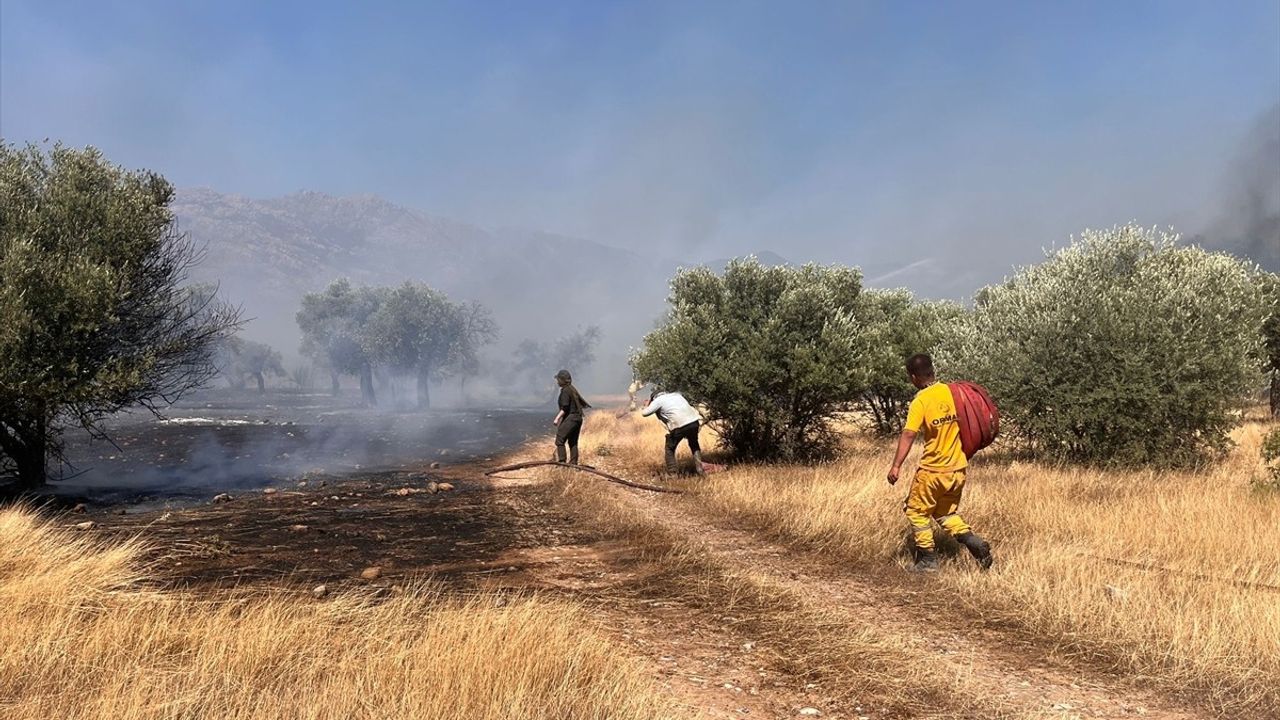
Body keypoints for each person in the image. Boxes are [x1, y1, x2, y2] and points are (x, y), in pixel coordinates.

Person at [886, 353, 993, 573]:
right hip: (957, 469)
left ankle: (927, 561)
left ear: (913, 377)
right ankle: (973, 542)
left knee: (916, 511)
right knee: (945, 513)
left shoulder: (921, 400)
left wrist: (896, 465)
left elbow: (909, 434)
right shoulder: (952, 393)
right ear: (932, 371)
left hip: (933, 470)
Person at [641, 388, 706, 475]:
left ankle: (673, 473)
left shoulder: (658, 400)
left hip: (679, 425)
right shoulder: (677, 395)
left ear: (654, 398)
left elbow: (644, 413)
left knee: (669, 449)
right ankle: (700, 469)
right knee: (694, 444)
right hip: (694, 422)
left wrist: (648, 405)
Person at [552, 369, 590, 464]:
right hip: (578, 418)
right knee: (573, 442)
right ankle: (573, 462)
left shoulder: (565, 391)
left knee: (560, 439)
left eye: (558, 379)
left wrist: (557, 419)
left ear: (562, 380)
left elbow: (564, 408)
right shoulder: (571, 389)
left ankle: (562, 462)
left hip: (572, 418)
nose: (557, 381)